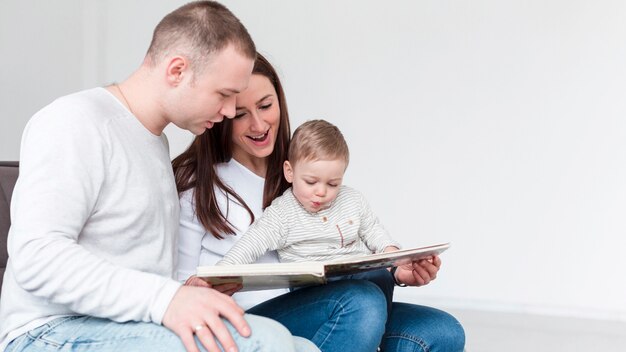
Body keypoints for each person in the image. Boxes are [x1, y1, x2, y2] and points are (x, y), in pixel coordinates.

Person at [0, 2, 318, 352]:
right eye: (225, 95)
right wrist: (167, 298)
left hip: (121, 324)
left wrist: (186, 292)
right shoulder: (74, 121)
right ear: (177, 70)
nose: (229, 112)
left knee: (303, 347)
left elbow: (133, 273)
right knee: (268, 342)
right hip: (46, 332)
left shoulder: (153, 143)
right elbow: (37, 256)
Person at [174, 52, 466, 351]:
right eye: (240, 114)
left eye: (265, 105)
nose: (259, 124)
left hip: (328, 299)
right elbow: (181, 284)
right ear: (221, 114)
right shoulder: (197, 182)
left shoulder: (304, 164)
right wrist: (209, 287)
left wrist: (398, 271)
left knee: (441, 331)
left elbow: (356, 228)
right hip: (250, 318)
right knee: (361, 303)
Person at [212, 119, 399, 313]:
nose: (321, 192)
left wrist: (388, 248)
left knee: (380, 276)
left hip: (356, 272)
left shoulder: (352, 199)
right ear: (290, 172)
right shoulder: (283, 212)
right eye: (311, 182)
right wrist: (222, 272)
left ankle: (381, 327)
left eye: (333, 184)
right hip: (313, 286)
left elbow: (372, 228)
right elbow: (252, 242)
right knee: (354, 294)